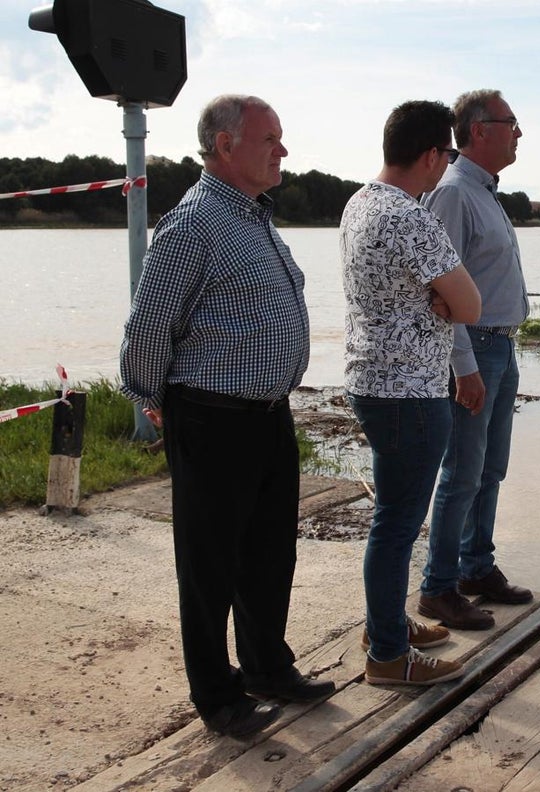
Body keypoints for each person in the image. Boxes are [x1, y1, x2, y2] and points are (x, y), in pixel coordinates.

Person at [120, 94, 334, 738]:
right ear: (225, 145)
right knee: (210, 566)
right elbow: (147, 330)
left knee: (269, 554)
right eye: (270, 138)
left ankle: (268, 666)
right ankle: (218, 697)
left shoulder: (255, 217)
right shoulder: (193, 226)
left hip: (267, 416)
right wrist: (154, 400)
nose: (283, 150)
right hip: (212, 419)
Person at [340, 100, 481, 685]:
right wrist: (442, 302)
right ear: (431, 155)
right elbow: (471, 305)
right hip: (411, 394)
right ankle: (389, 658)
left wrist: (437, 299)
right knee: (398, 525)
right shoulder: (410, 217)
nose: (446, 165)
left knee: (390, 519)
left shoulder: (359, 202)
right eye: (447, 154)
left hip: (371, 381)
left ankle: (386, 626)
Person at [417, 89, 533, 631]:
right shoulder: (454, 194)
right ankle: (439, 588)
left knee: (490, 468)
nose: (519, 132)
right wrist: (462, 366)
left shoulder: (484, 191)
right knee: (461, 471)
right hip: (475, 349)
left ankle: (475, 569)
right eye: (511, 123)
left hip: (500, 345)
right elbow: (441, 290)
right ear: (479, 130)